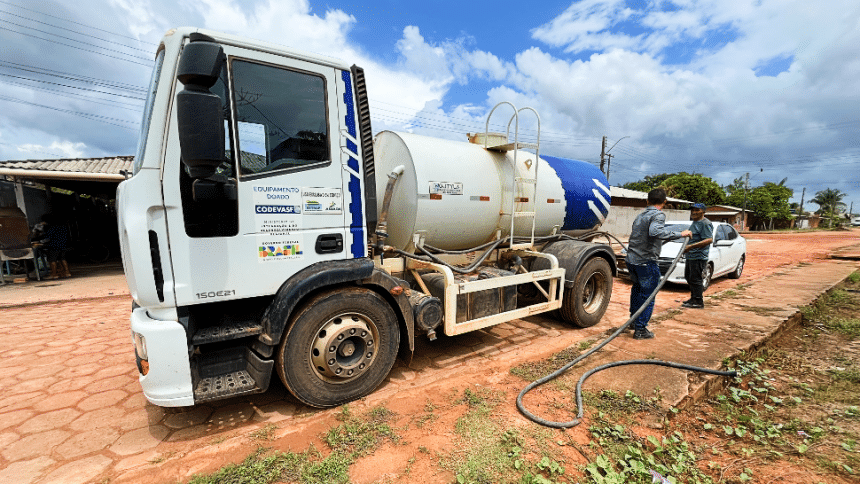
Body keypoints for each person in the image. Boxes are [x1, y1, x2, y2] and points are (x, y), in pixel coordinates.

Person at [626, 189, 692, 339]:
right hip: (646, 261)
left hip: (632, 260)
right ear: (664, 202)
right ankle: (640, 329)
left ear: (647, 201)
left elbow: (649, 234)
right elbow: (655, 232)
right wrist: (680, 234)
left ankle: (634, 320)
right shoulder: (658, 214)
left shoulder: (641, 215)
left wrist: (667, 236)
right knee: (648, 295)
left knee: (637, 290)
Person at [681, 203, 713, 309]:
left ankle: (698, 301)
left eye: (697, 210)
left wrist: (690, 247)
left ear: (703, 212)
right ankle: (693, 298)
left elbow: (709, 240)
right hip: (691, 255)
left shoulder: (705, 223)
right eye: (693, 210)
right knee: (689, 277)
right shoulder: (695, 222)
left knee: (696, 279)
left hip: (699, 256)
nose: (694, 212)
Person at [34, 213, 71, 279]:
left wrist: (38, 241)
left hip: (54, 245)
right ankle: (67, 273)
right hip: (63, 245)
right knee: (62, 259)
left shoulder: (52, 227)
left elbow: (48, 237)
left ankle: (54, 274)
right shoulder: (63, 226)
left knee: (52, 260)